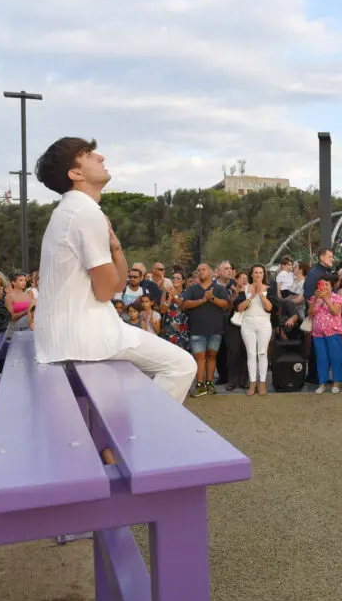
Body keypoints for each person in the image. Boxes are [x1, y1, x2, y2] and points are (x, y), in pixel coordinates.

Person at [33, 136, 196, 403]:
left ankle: (125, 434)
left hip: (64, 336)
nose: (101, 157)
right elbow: (107, 291)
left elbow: (118, 286)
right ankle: (140, 437)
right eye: (89, 154)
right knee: (182, 365)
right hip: (87, 336)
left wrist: (116, 248)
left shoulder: (68, 211)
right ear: (75, 173)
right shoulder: (86, 213)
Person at [182, 263, 231, 397]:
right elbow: (184, 304)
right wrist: (203, 300)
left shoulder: (219, 289)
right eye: (198, 270)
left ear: (210, 272)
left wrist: (212, 298)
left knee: (211, 356)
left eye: (203, 269)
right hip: (197, 329)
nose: (201, 272)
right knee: (199, 357)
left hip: (215, 329)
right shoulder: (192, 289)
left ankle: (209, 383)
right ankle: (200, 385)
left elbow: (227, 305)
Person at [233, 264, 275, 396]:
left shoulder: (270, 289)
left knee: (262, 353)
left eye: (260, 273)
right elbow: (239, 308)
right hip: (247, 324)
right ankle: (252, 382)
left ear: (264, 275)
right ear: (251, 274)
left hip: (264, 323)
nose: (257, 275)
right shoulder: (244, 289)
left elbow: (269, 308)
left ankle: (262, 382)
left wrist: (260, 294)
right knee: (251, 354)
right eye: (255, 272)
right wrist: (251, 296)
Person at [309, 275, 342, 394]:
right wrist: (316, 299)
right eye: (321, 284)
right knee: (321, 358)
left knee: (336, 357)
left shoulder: (337, 298)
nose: (324, 287)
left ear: (332, 286)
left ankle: (336, 383)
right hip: (318, 334)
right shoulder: (314, 298)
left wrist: (326, 299)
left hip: (334, 332)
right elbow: (310, 312)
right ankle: (322, 383)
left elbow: (335, 311)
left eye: (327, 284)